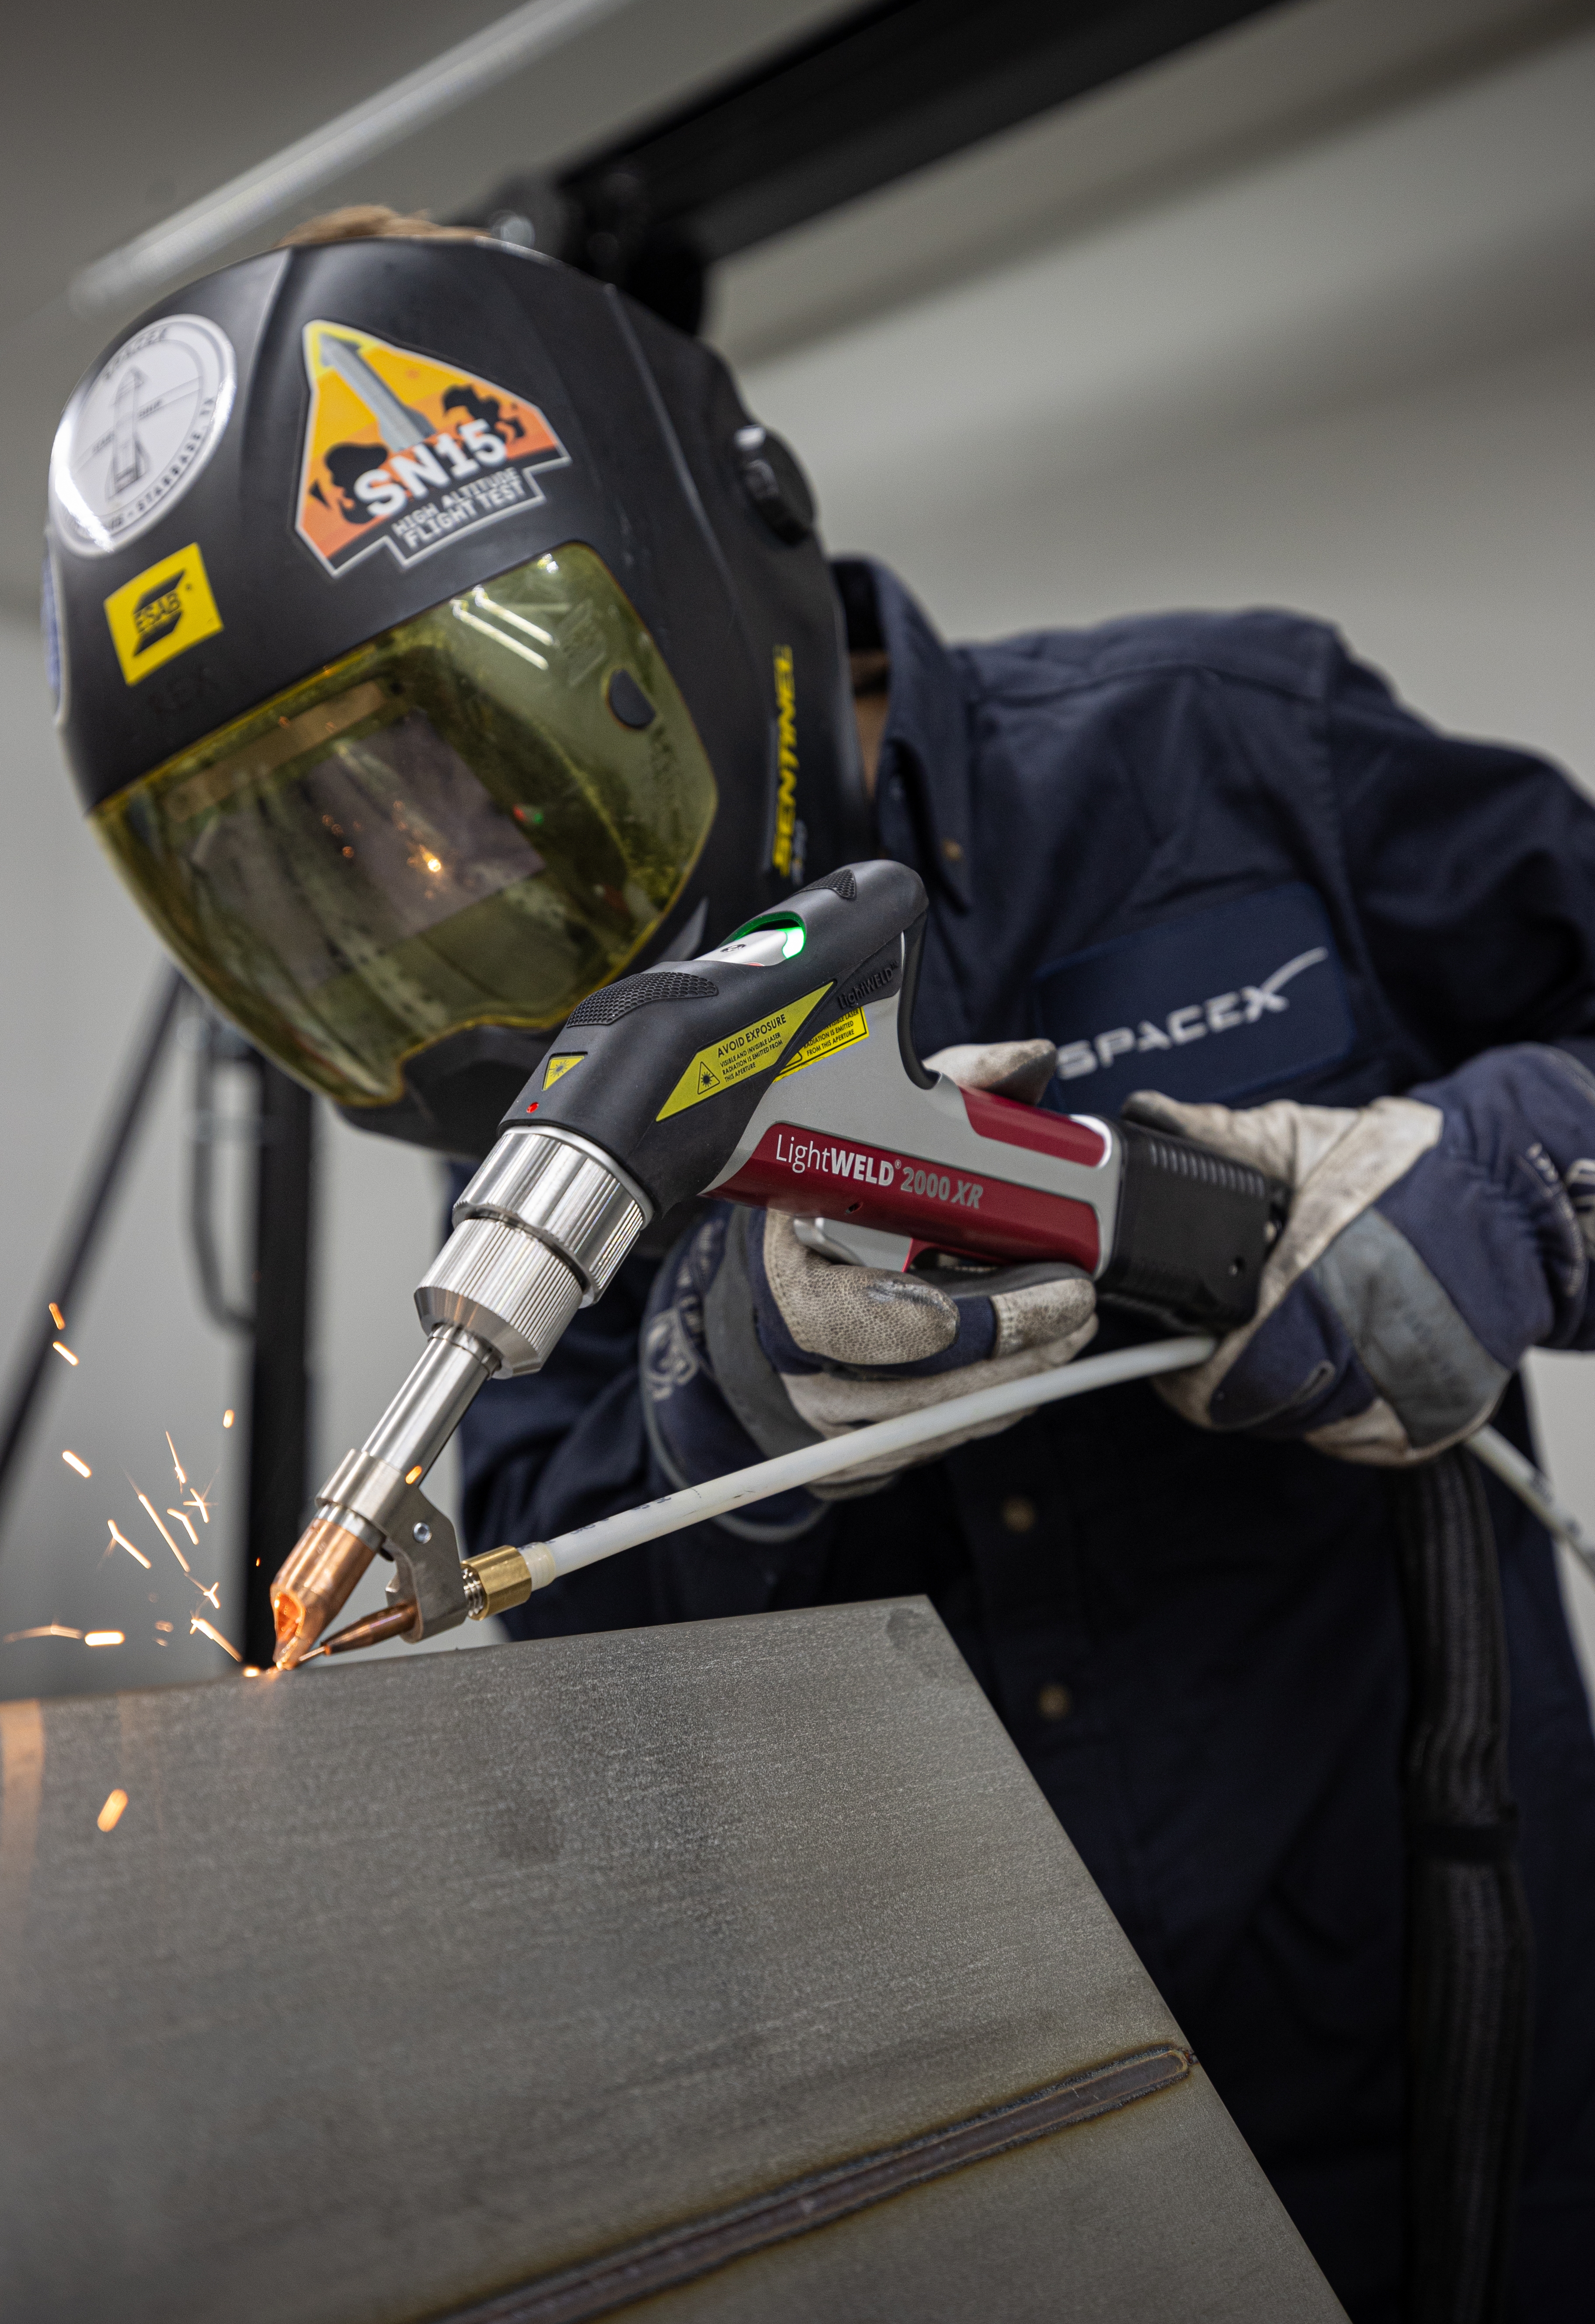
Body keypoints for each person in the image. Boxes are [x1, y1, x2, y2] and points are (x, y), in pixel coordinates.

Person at [46, 215, 1595, 2321]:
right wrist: (727, 1408)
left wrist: (1504, 1181)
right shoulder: (548, 1056)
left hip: (1458, 2056)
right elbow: (544, 1552)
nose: (431, 898)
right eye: (316, 860)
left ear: (681, 563)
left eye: (442, 786)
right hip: (966, 2158)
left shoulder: (1222, 752)